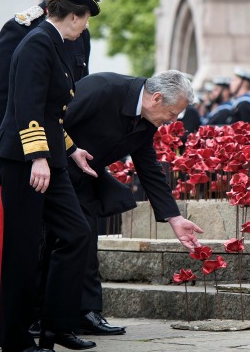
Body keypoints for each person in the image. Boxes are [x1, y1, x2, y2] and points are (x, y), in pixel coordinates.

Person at [0, 0, 101, 352]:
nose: (86, 27)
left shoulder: (56, 43)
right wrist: (38, 156)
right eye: (85, 19)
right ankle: (16, 339)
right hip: (24, 160)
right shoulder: (38, 43)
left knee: (76, 233)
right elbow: (27, 106)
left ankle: (57, 326)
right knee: (22, 249)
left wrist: (70, 150)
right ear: (73, 16)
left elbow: (53, 114)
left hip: (49, 155)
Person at [63, 69, 204, 336]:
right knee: (55, 244)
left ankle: (86, 313)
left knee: (87, 243)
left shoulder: (147, 118)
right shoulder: (103, 88)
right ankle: (38, 316)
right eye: (172, 114)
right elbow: (53, 121)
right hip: (52, 171)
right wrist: (69, 151)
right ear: (157, 98)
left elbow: (148, 167)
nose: (171, 121)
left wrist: (174, 218)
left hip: (85, 181)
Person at [0, 0, 104, 177]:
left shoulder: (81, 33)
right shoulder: (22, 28)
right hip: (21, 144)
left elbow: (78, 87)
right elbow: (0, 89)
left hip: (60, 143)